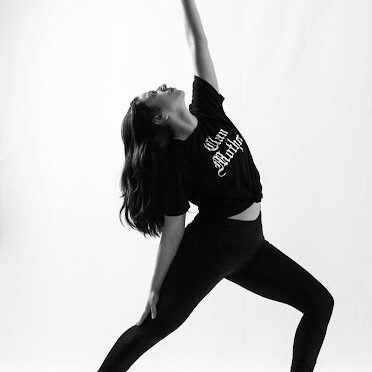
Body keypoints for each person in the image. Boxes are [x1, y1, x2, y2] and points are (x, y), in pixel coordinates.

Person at [97, 1, 334, 371]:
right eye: (153, 93)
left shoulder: (207, 109)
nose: (160, 85)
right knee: (151, 328)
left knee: (319, 303)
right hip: (213, 246)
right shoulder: (175, 161)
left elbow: (199, 44)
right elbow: (174, 226)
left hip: (251, 243)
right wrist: (155, 287)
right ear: (160, 116)